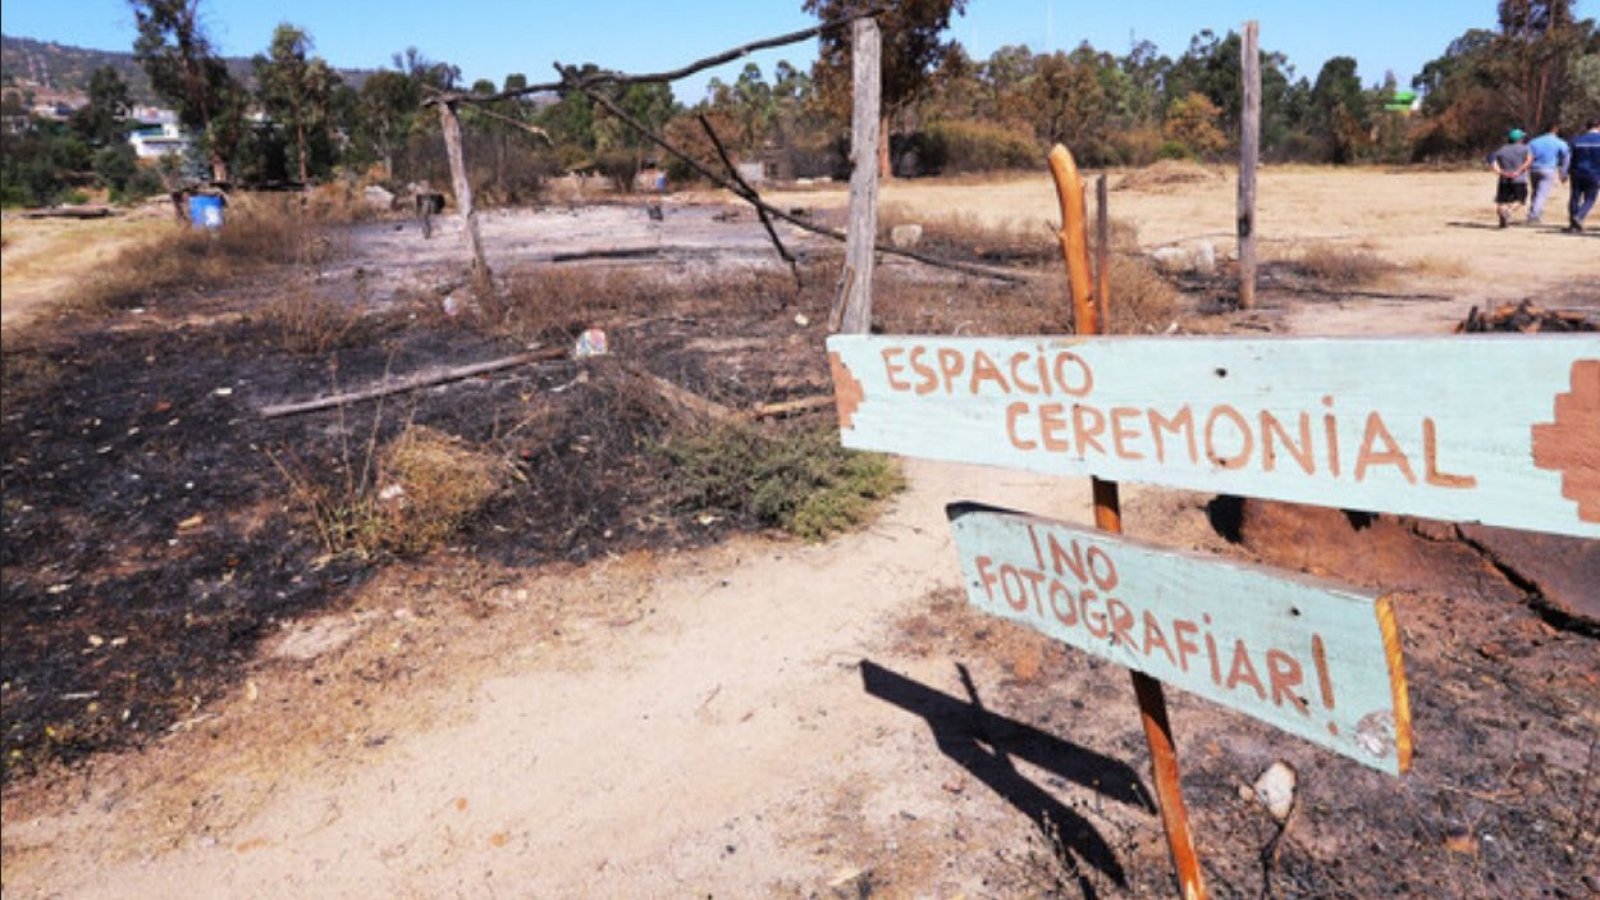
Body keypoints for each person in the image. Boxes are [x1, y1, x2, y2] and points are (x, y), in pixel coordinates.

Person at [1525, 125, 1571, 224]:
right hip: (1548, 169)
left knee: (1535, 192)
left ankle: (1534, 211)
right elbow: (1566, 158)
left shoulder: (1534, 141)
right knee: (1541, 194)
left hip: (1534, 169)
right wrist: (1563, 173)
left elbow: (1527, 155)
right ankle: (1534, 215)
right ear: (1555, 130)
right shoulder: (1560, 142)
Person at [1489, 129, 1533, 228]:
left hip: (1504, 179)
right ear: (1520, 139)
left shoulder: (1502, 149)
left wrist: (1499, 171)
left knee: (1502, 201)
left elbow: (1491, 159)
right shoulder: (1525, 148)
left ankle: (1502, 217)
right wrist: (1519, 170)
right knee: (1520, 200)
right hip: (1519, 179)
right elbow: (1529, 161)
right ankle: (1508, 211)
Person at [1567, 118, 1600, 233]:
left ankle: (1573, 225)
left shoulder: (1577, 140)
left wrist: (1565, 171)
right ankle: (1579, 216)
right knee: (1590, 198)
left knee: (1575, 197)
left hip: (1577, 172)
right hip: (1594, 173)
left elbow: (1569, 158)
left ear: (1587, 127)